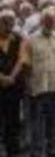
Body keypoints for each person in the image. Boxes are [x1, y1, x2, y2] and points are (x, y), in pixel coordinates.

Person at [24, 7, 55, 157]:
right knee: (37, 122)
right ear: (41, 21)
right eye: (47, 20)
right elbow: (26, 64)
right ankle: (37, 150)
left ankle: (54, 149)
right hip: (37, 86)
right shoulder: (31, 39)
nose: (49, 23)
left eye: (52, 21)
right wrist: (28, 83)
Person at [0, 9, 26, 157]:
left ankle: (12, 150)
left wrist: (11, 77)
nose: (8, 26)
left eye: (11, 23)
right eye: (5, 23)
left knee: (13, 119)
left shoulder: (18, 38)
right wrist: (2, 78)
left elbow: (21, 59)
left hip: (13, 86)